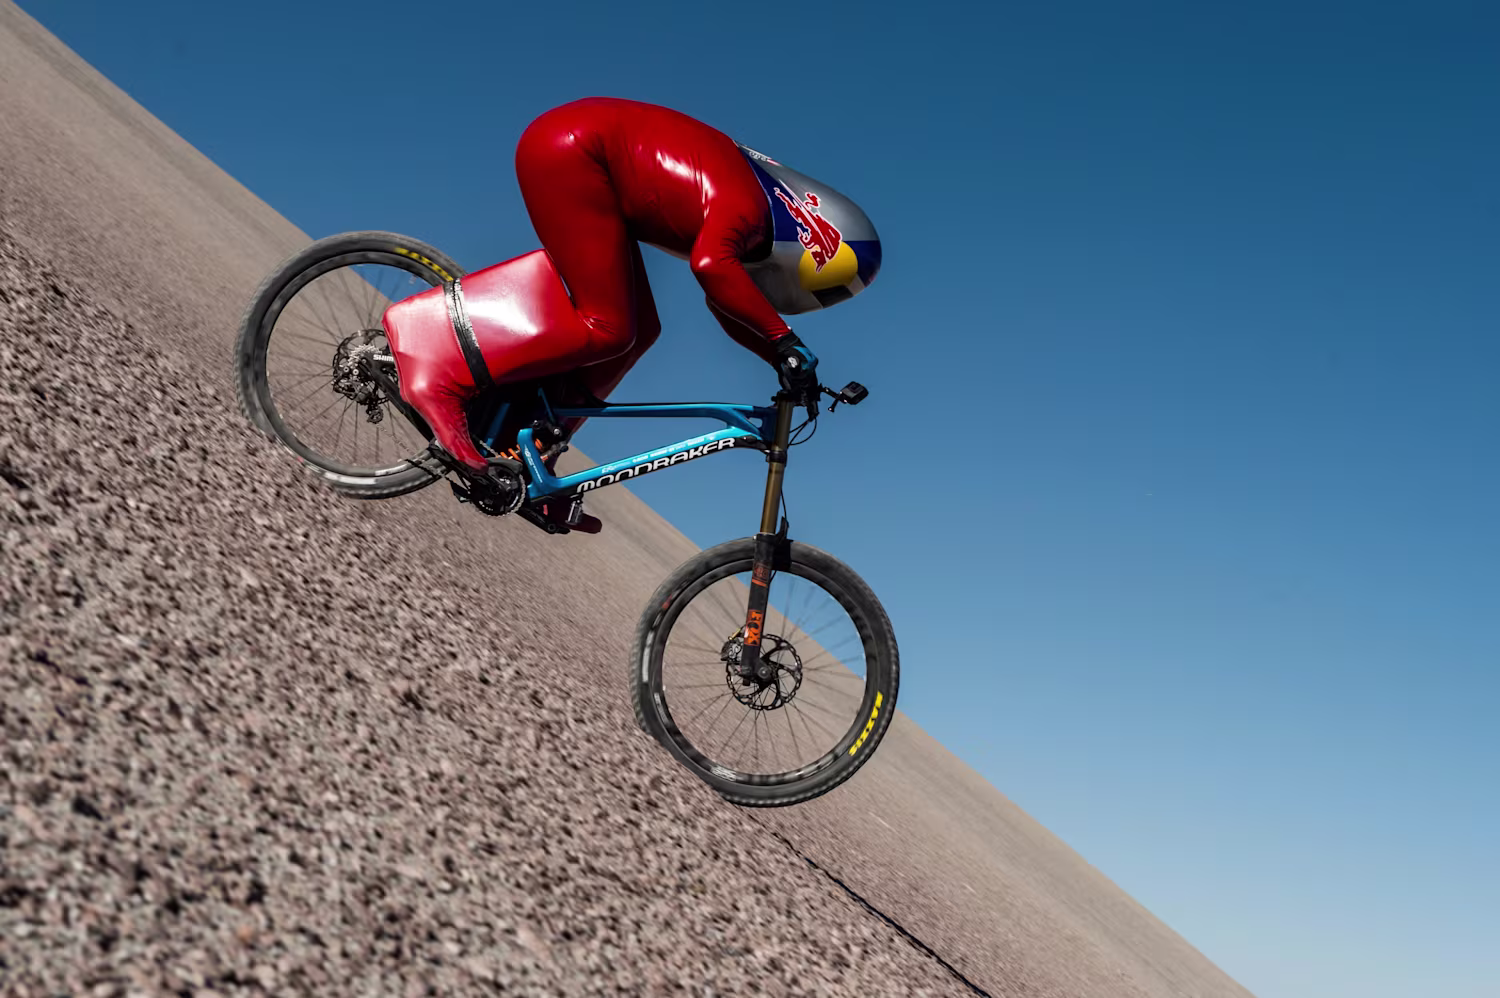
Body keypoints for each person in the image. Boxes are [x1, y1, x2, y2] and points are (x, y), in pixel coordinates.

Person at [381, 97, 882, 533]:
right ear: (823, 241)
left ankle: (531, 442)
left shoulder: (754, 202)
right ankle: (437, 372)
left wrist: (779, 354)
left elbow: (723, 301)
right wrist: (786, 344)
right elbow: (712, 270)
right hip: (575, 152)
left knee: (641, 332)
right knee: (608, 327)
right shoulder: (751, 206)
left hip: (588, 160)